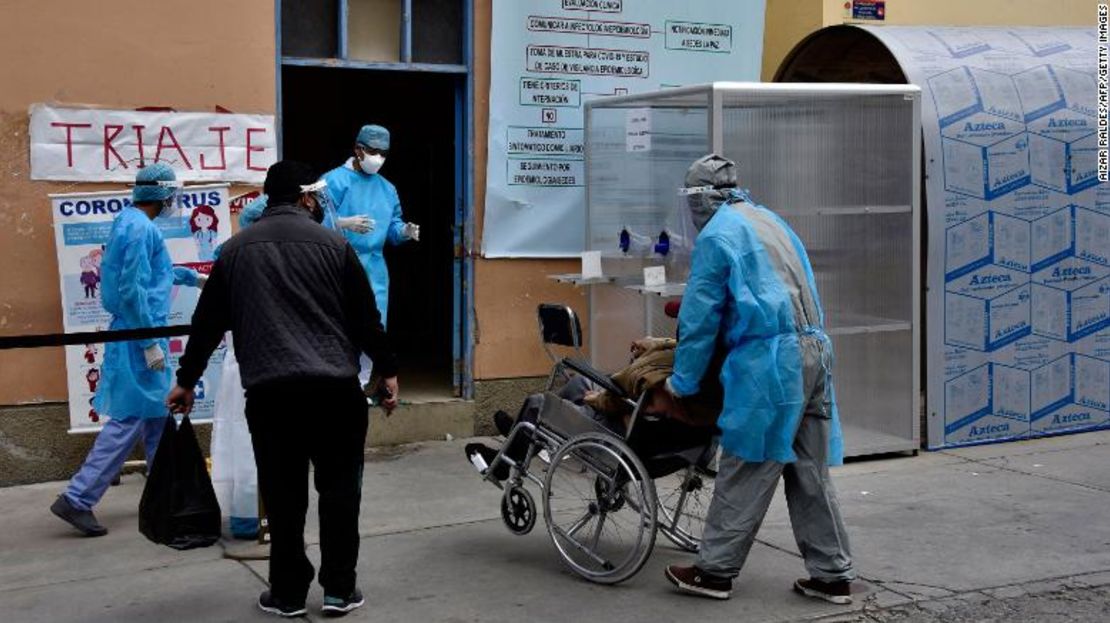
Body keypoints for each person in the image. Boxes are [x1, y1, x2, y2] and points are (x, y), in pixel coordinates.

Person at [168, 160, 400, 618]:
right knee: (340, 495)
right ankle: (338, 590)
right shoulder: (336, 246)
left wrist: (187, 380)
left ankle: (289, 594)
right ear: (307, 198)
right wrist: (387, 371)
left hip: (272, 397)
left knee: (283, 496)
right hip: (335, 394)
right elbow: (365, 318)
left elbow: (208, 323)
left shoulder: (234, 252)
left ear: (267, 200)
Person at [662, 155, 854, 604]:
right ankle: (832, 574)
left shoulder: (717, 236)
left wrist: (683, 383)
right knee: (810, 471)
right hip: (814, 353)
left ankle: (713, 573)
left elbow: (699, 319)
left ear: (700, 198)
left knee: (746, 465)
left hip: (770, 364)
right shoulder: (768, 219)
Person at [50, 163, 203, 537]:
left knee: (156, 419)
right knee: (130, 421)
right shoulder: (139, 228)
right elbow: (133, 288)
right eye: (173, 195)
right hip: (140, 334)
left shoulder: (131, 222)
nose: (175, 202)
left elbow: (156, 270)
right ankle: (78, 497)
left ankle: (164, 497)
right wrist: (149, 340)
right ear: (163, 194)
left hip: (141, 330)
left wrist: (195, 277)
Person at [323, 124, 419, 391]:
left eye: (384, 153)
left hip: (373, 267)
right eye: (373, 151)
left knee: (372, 327)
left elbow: (391, 228)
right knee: (339, 323)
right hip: (338, 263)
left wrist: (404, 231)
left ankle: (360, 385)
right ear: (358, 149)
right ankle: (337, 383)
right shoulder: (333, 181)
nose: (378, 158)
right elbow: (313, 220)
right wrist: (342, 223)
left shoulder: (387, 189)